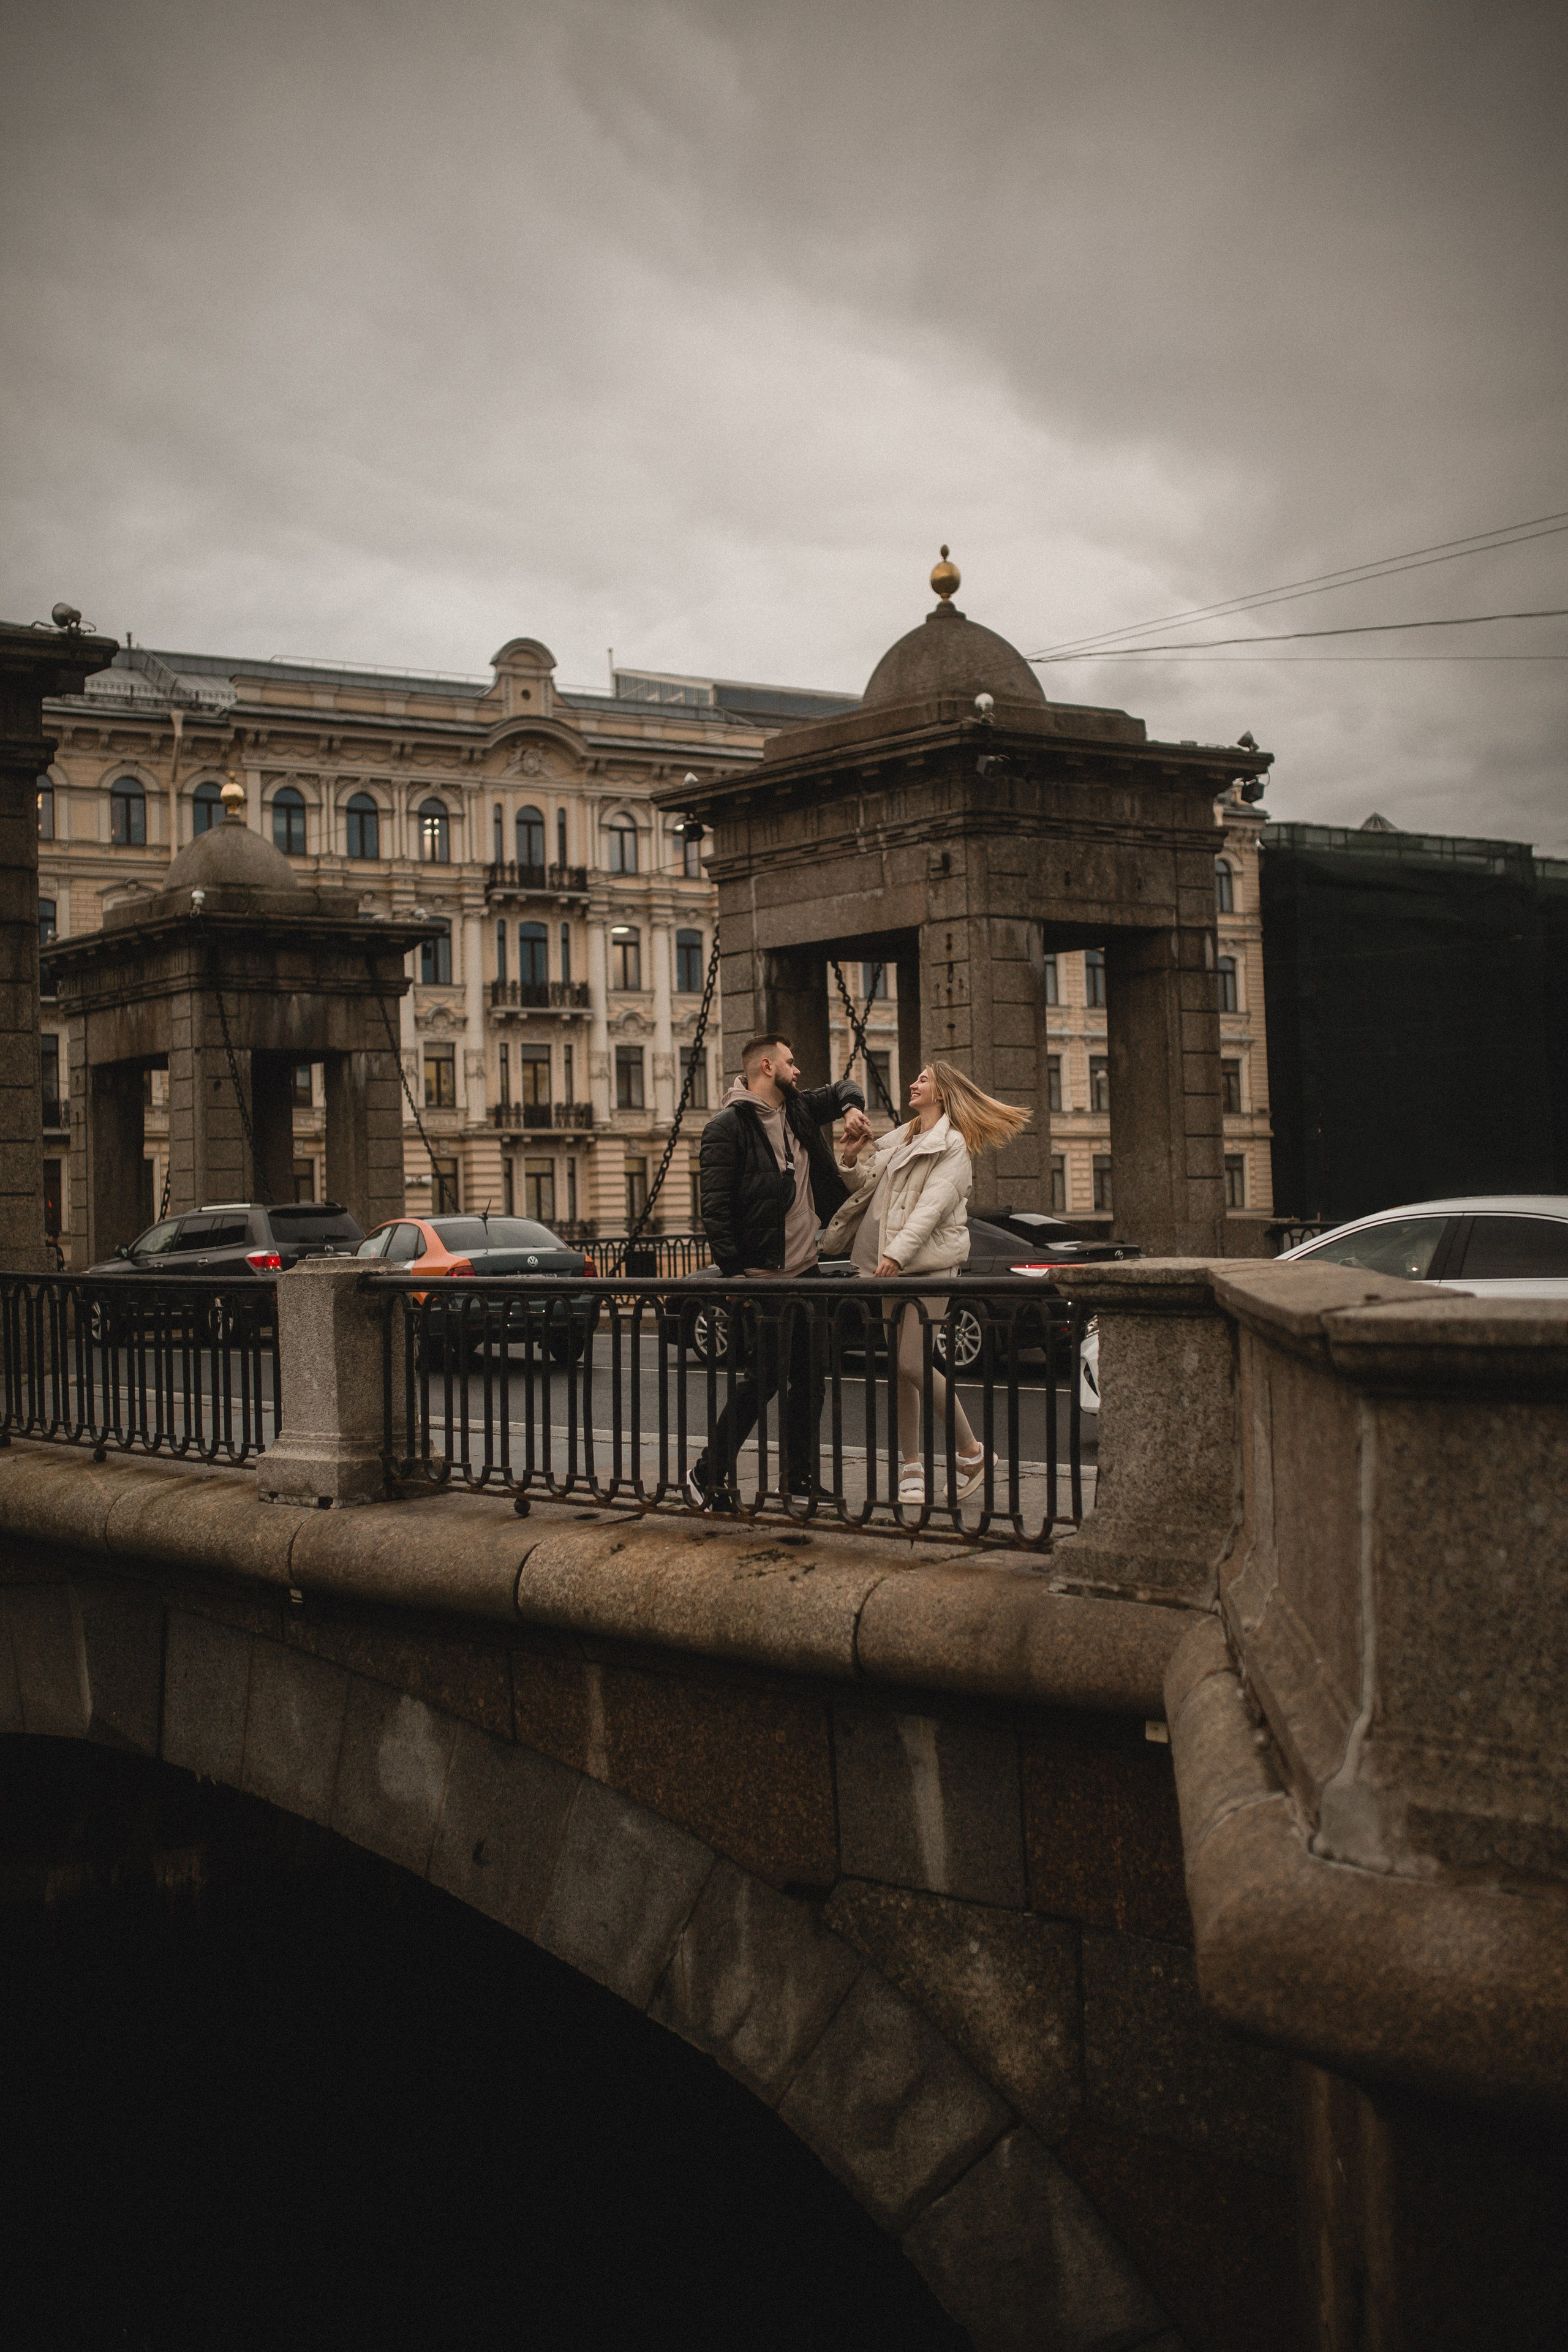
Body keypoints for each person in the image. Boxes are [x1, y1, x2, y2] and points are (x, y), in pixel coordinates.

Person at [822, 1060, 1029, 1509]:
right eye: (915, 1078)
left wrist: (897, 1254)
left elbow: (931, 1209)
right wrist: (854, 1155)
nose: (913, 1085)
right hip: (883, 1266)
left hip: (926, 1268)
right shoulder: (902, 1138)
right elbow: (863, 1188)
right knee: (900, 1369)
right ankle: (911, 1466)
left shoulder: (952, 1146)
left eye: (923, 1079)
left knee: (914, 1364)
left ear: (943, 1092)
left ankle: (972, 1452)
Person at [687, 1035, 871, 1507]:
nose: (799, 1070)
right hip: (762, 1279)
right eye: (792, 1062)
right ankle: (707, 1473)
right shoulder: (726, 1128)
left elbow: (843, 1087)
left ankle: (799, 1479)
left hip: (806, 1271)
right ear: (766, 1067)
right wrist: (735, 1277)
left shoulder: (800, 1111)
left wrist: (851, 1108)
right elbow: (716, 1211)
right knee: (762, 1380)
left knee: (811, 1382)